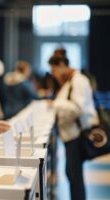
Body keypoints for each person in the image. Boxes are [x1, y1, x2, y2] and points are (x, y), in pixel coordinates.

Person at [48, 48, 99, 200]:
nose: (53, 74)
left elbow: (78, 108)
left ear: (62, 64)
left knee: (74, 177)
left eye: (54, 69)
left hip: (77, 135)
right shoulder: (70, 82)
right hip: (70, 135)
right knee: (72, 174)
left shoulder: (78, 81)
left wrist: (56, 104)